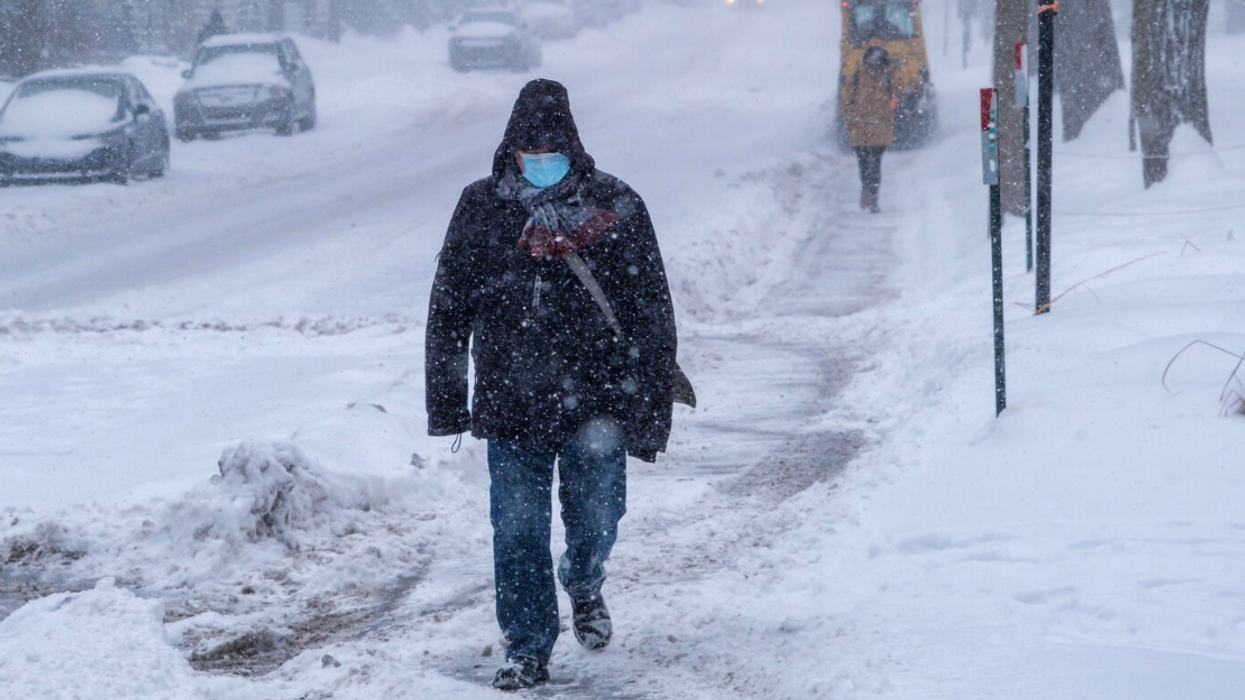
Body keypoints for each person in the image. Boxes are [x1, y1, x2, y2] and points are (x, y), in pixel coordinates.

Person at [425, 79, 679, 691]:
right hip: (511, 402)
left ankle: (585, 580)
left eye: (552, 152)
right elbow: (449, 306)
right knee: (516, 530)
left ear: (574, 149)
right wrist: (446, 400)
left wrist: (648, 410)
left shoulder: (616, 205)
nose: (541, 163)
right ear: (510, 151)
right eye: (529, 153)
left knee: (597, 515)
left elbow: (651, 310)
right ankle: (528, 647)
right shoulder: (482, 208)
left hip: (597, 399)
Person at [844, 45, 897, 213]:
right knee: (863, 163)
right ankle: (866, 190)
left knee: (875, 165)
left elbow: (894, 99)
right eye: (872, 58)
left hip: (879, 129)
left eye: (877, 58)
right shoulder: (858, 75)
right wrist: (852, 119)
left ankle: (873, 197)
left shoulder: (888, 77)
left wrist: (888, 112)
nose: (874, 61)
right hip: (860, 128)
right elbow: (847, 100)